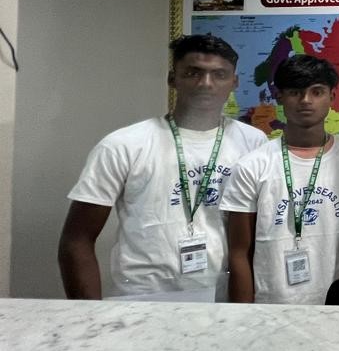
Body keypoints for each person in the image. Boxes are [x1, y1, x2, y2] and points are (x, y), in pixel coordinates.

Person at [58, 34, 267, 301]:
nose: (206, 83)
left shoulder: (254, 143)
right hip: (142, 300)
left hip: (225, 299)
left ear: (234, 82)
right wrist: (89, 315)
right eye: (193, 73)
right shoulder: (124, 145)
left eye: (219, 75)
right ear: (172, 79)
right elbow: (77, 239)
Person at [221, 55, 339, 304]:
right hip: (270, 306)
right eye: (295, 92)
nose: (306, 100)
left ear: (332, 97)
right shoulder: (252, 165)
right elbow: (239, 253)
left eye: (316, 92)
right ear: (279, 97)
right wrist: (243, 316)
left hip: (336, 305)